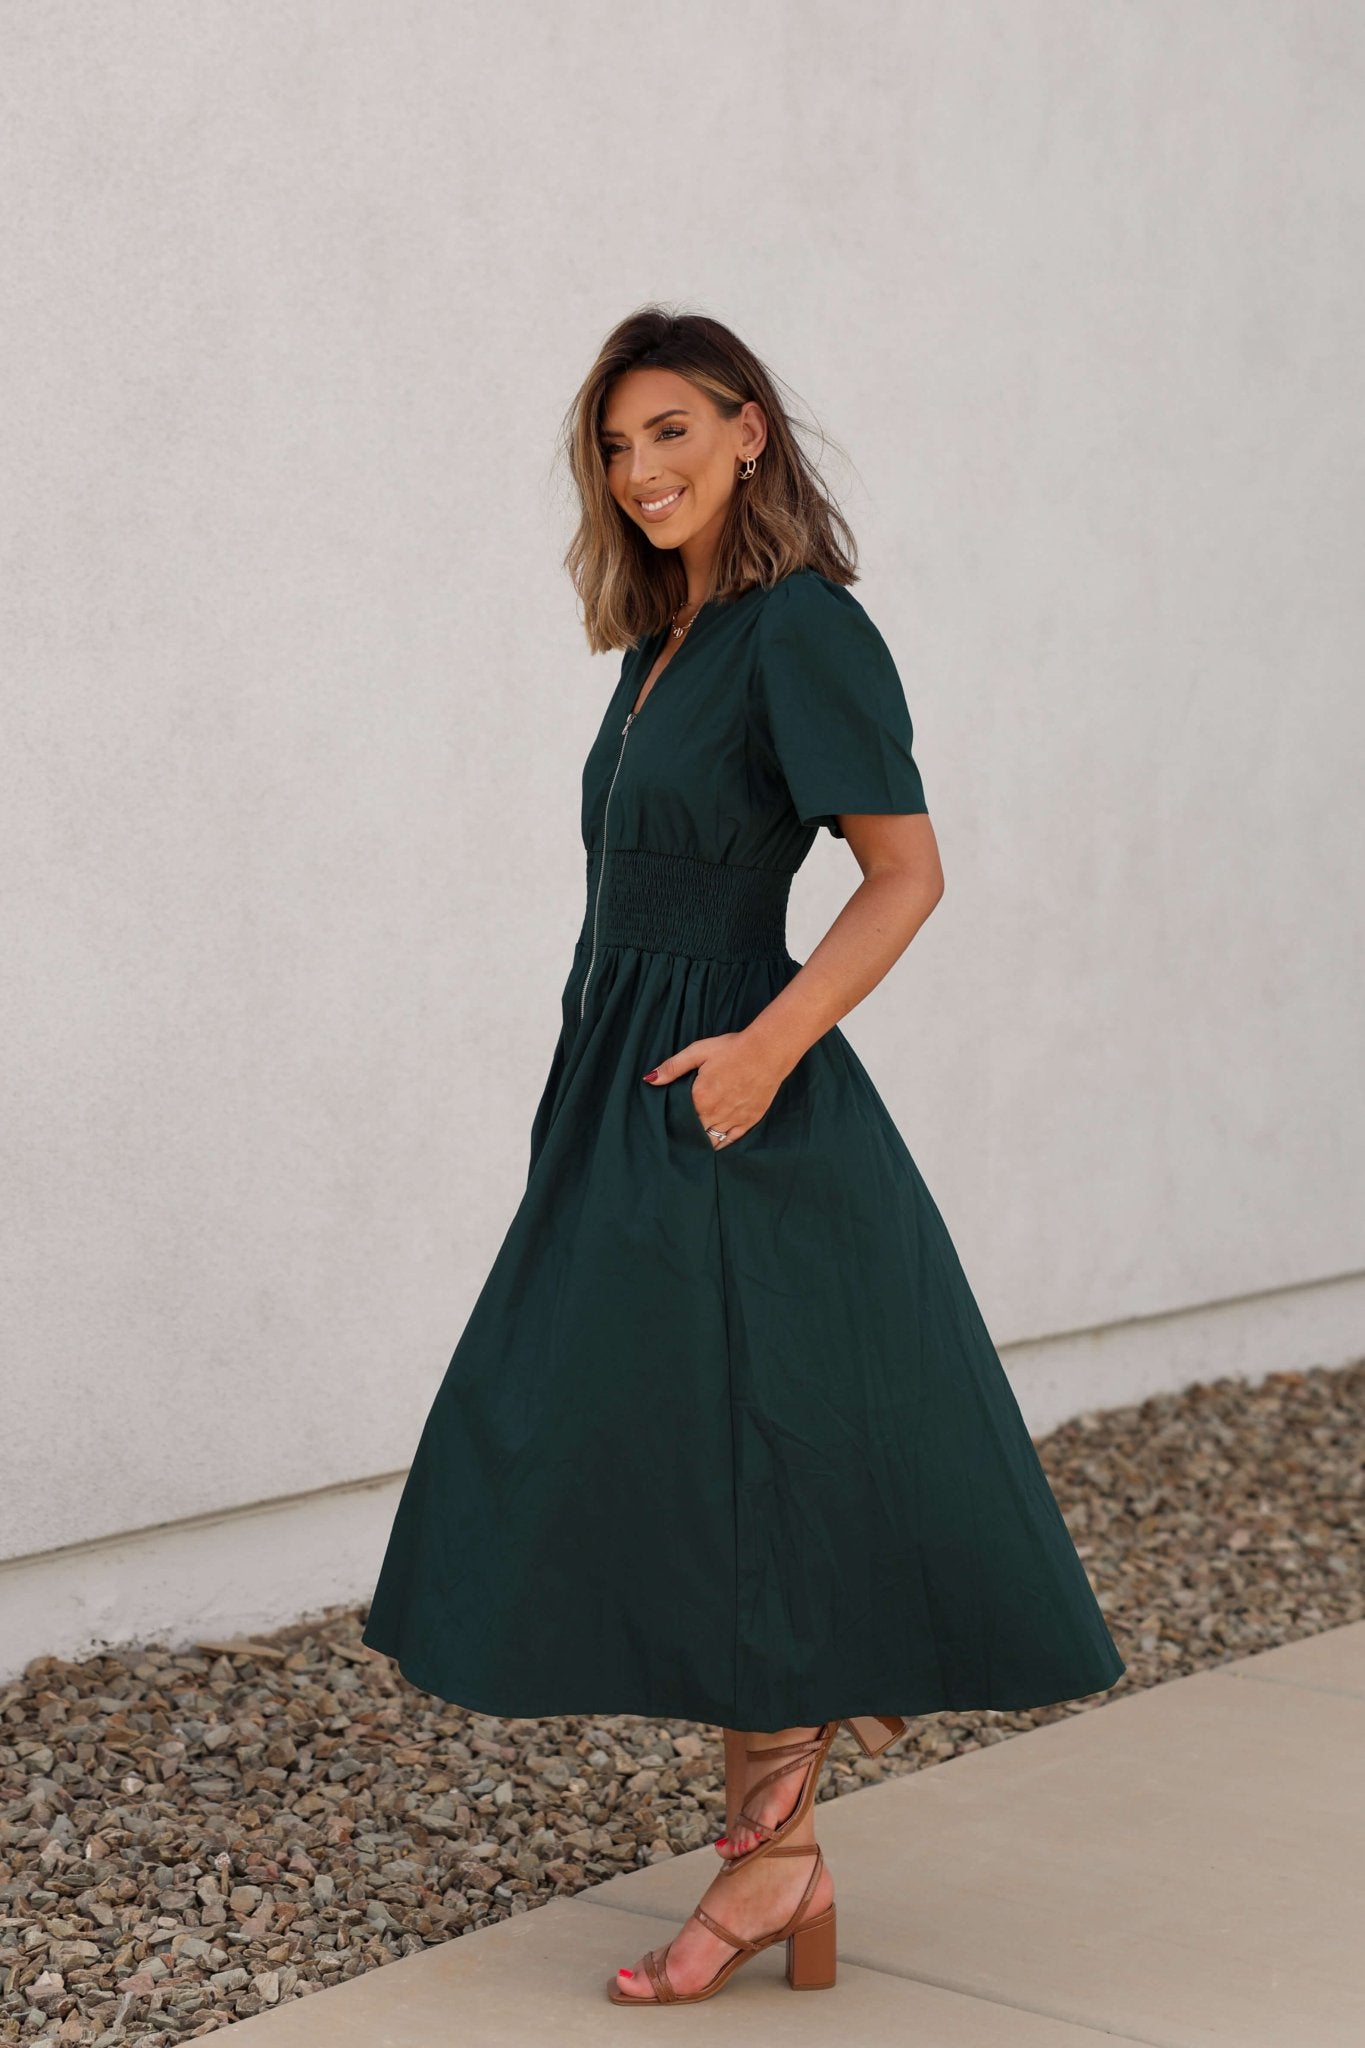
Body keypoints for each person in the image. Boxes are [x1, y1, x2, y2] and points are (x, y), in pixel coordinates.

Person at [360, 306, 1126, 2007]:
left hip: (727, 1089)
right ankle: (781, 1851)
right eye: (615, 447)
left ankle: (774, 1856)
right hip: (617, 1084)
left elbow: (905, 872)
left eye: (671, 433)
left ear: (747, 431)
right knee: (644, 1442)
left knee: (743, 1455)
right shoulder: (660, 642)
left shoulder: (801, 629)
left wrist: (766, 1051)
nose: (641, 471)